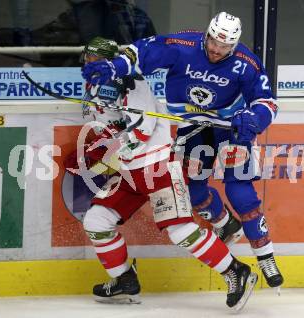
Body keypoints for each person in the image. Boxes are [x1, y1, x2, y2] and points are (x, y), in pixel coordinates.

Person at [81, 12, 284, 289]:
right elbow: (141, 52)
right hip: (193, 129)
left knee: (241, 193)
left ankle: (265, 256)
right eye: (213, 41)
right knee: (194, 191)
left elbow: (267, 102)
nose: (215, 49)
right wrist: (116, 66)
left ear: (234, 46)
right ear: (207, 33)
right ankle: (225, 224)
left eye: (224, 47)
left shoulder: (246, 63)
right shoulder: (183, 45)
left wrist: (254, 119)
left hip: (233, 128)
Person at [66, 36, 258, 311]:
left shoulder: (132, 81)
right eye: (89, 59)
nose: (92, 64)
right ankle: (124, 280)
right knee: (97, 221)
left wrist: (110, 142)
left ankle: (235, 271)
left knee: (179, 230)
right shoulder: (93, 86)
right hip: (129, 171)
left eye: (99, 60)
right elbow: (106, 127)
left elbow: (142, 130)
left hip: (156, 166)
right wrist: (99, 148)